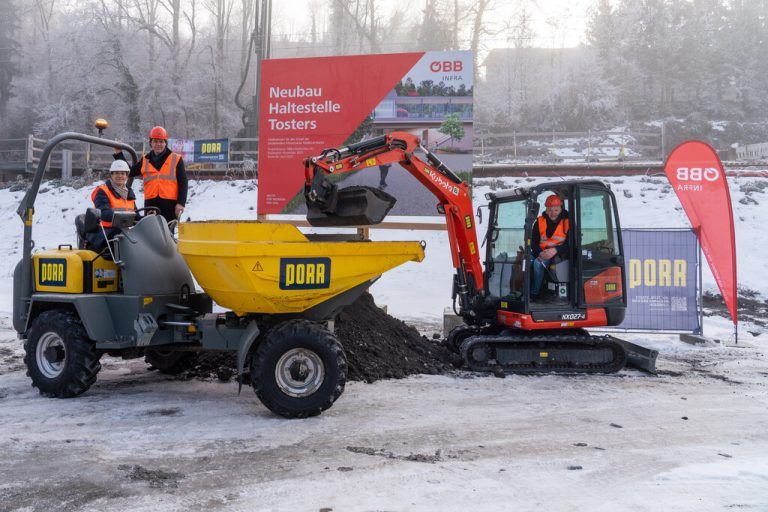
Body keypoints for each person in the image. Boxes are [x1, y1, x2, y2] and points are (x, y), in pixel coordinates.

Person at [113, 126, 187, 227]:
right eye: (155, 141)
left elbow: (183, 182)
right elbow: (128, 171)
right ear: (151, 143)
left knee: (168, 234)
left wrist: (181, 203)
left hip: (170, 205)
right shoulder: (145, 160)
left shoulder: (176, 159)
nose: (158, 144)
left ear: (165, 143)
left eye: (161, 141)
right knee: (150, 233)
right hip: (150, 204)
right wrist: (118, 154)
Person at [87, 160, 138, 252]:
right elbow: (103, 212)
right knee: (126, 241)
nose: (120, 176)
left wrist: (148, 218)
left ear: (127, 176)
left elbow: (136, 215)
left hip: (124, 231)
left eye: (123, 173)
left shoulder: (129, 193)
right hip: (106, 232)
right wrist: (123, 216)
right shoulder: (102, 191)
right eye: (116, 173)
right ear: (111, 175)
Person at [530, 194, 570, 299]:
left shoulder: (568, 222)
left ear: (561, 209)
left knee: (538, 264)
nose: (552, 213)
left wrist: (556, 250)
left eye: (556, 210)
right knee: (525, 261)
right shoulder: (539, 222)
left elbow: (571, 244)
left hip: (559, 254)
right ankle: (521, 290)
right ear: (546, 209)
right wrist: (539, 253)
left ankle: (534, 294)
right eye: (550, 210)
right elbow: (534, 242)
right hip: (540, 252)